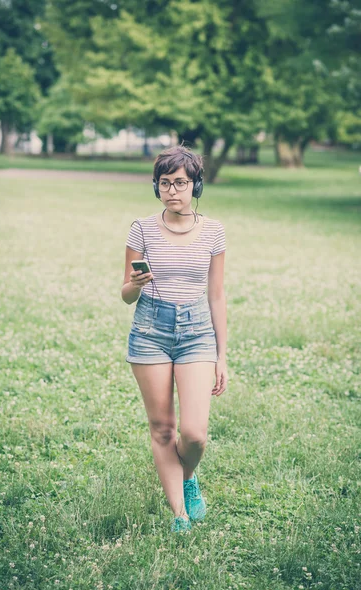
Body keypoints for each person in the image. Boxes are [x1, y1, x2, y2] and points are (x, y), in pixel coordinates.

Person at [121, 145, 228, 533]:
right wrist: (134, 284)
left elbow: (216, 294)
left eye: (180, 183)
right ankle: (179, 515)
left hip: (197, 331)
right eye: (164, 183)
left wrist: (222, 355)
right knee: (163, 428)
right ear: (156, 187)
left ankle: (187, 475)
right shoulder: (142, 229)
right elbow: (125, 294)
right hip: (150, 330)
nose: (172, 191)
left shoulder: (213, 231)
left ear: (195, 185)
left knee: (194, 434)